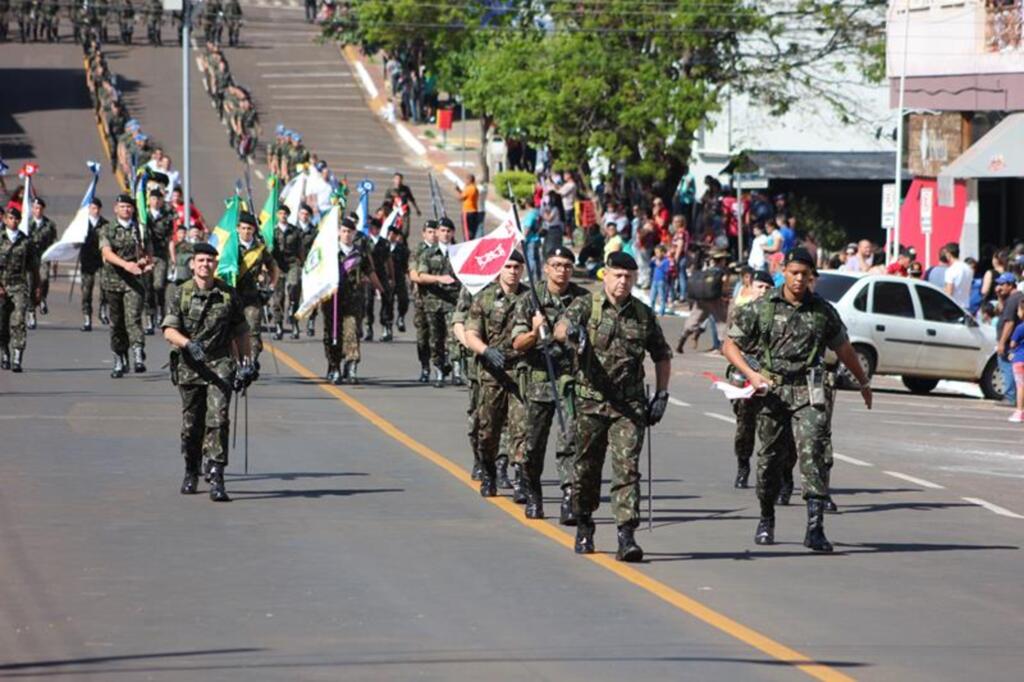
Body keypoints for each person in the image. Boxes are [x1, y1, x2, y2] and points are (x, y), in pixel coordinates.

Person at [722, 247, 873, 552]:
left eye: (805, 274)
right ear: (784, 272)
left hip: (808, 390)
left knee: (813, 451)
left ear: (811, 276)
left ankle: (815, 528)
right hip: (772, 391)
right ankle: (766, 517)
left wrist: (863, 381)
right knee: (769, 459)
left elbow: (844, 348)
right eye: (794, 273)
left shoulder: (822, 311)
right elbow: (729, 346)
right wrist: (752, 375)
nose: (799, 279)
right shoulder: (762, 307)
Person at [554, 251, 672, 561]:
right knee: (586, 468)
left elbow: (662, 355)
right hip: (590, 402)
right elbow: (560, 328)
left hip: (628, 407)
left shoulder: (643, 315)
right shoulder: (586, 305)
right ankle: (584, 523)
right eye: (617, 275)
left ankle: (626, 535)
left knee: (627, 469)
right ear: (605, 274)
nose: (622, 281)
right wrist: (572, 333)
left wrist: (662, 395)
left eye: (628, 277)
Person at [162, 241, 253, 502]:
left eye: (210, 261)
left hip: (220, 363)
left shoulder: (228, 295)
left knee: (219, 419)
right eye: (201, 260)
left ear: (216, 264)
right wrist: (188, 344)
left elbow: (241, 331)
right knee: (192, 425)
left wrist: (246, 364)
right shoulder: (181, 293)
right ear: (193, 264)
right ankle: (191, 469)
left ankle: (217, 475)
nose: (205, 265)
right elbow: (168, 330)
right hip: (190, 366)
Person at [511, 246, 589, 521]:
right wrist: (535, 332)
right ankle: (533, 493)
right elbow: (517, 343)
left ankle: (569, 497)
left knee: (571, 440)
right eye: (556, 265)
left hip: (571, 381)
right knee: (533, 445)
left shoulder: (583, 299)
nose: (562, 270)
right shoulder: (530, 300)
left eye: (567, 265)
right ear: (546, 268)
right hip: (539, 381)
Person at [464, 252, 529, 497]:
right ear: (500, 269)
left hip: (521, 372)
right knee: (488, 429)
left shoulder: (530, 298)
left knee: (522, 427)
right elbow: (471, 333)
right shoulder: (485, 298)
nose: (513, 271)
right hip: (492, 374)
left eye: (517, 267)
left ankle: (521, 480)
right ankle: (489, 472)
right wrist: (486, 350)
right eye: (508, 266)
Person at [321, 216, 384, 384]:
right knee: (332, 335)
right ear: (338, 232)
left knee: (352, 331)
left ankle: (351, 365)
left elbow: (370, 271)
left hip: (353, 300)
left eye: (349, 231)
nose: (346, 234)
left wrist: (380, 289)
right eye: (343, 231)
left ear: (354, 233)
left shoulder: (359, 253)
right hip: (332, 300)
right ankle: (334, 366)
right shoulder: (329, 251)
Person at [727, 270, 775, 488]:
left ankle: (774, 474)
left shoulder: (777, 315)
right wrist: (745, 368)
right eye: (760, 286)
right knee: (745, 425)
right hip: (746, 374)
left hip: (769, 377)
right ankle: (743, 465)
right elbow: (731, 346)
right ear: (750, 287)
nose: (763, 291)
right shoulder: (742, 312)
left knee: (772, 427)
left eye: (767, 288)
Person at [100, 193, 153, 378]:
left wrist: (145, 262)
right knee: (117, 324)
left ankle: (138, 353)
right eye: (122, 206)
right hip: (113, 281)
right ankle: (119, 358)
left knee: (133, 318)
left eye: (129, 207)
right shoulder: (107, 229)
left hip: (134, 282)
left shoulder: (141, 229)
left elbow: (148, 253)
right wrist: (126, 265)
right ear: (116, 209)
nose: (126, 209)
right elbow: (107, 253)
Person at [415, 217, 459, 387]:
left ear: (453, 233)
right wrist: (439, 279)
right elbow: (421, 275)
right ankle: (439, 370)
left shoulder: (459, 252)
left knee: (454, 337)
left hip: (453, 302)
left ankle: (456, 370)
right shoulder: (428, 253)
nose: (445, 234)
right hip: (433, 303)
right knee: (435, 339)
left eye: (448, 231)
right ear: (438, 233)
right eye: (442, 230)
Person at [235, 213, 276, 364]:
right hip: (233, 296)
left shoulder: (259, 248)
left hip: (252, 297)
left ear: (253, 230)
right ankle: (236, 361)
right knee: (231, 331)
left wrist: (271, 285)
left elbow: (273, 267)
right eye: (243, 228)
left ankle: (250, 362)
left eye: (249, 228)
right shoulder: (231, 247)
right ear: (238, 229)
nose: (246, 231)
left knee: (253, 330)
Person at [0, 207, 38, 372]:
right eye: (10, 218)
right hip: (1, 285)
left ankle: (17, 357)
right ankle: (4, 352)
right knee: (2, 323)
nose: (13, 221)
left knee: (18, 320)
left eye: (16, 219)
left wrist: (37, 288)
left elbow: (33, 267)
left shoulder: (26, 241)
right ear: (5, 220)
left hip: (18, 286)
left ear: (20, 220)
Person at [675, 249, 729, 353]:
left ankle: (682, 338)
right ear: (722, 260)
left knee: (694, 319)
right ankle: (723, 346)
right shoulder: (721, 272)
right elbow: (724, 287)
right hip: (715, 300)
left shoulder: (706, 270)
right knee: (721, 322)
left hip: (701, 299)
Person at [143, 187, 176, 334]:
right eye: (153, 199)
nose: (156, 201)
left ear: (162, 201)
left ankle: (160, 310)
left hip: (160, 256)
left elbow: (170, 239)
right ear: (149, 200)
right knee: (147, 288)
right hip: (146, 257)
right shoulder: (143, 216)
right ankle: (149, 319)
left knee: (159, 285)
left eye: (158, 199)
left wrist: (173, 258)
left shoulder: (167, 218)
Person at [409, 220, 438, 382]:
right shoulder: (418, 250)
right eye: (429, 232)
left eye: (435, 231)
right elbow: (413, 274)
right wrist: (428, 278)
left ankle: (442, 367)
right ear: (424, 234)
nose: (433, 235)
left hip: (442, 300)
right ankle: (425, 367)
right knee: (423, 336)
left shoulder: (446, 249)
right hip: (422, 300)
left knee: (440, 336)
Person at [26, 197, 56, 329]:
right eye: (35, 208)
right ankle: (31, 312)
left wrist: (56, 258)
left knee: (44, 278)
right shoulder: (26, 223)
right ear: (32, 209)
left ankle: (42, 298)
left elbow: (54, 241)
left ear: (43, 209)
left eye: (39, 208)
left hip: (44, 257)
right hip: (30, 258)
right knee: (30, 284)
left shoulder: (49, 224)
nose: (37, 210)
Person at [80, 198, 108, 332]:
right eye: (92, 208)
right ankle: (87, 317)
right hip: (87, 259)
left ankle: (103, 309)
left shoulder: (105, 224)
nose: (95, 211)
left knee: (105, 286)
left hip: (102, 259)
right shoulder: (82, 223)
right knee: (86, 290)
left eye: (97, 208)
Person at [996, 273, 1022, 406]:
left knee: (1007, 367)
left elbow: (1009, 322)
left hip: (1009, 342)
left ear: (1010, 285)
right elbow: (1001, 312)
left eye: (1002, 284)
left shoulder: (1013, 299)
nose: (999, 287)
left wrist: (1001, 342)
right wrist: (1000, 296)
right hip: (1013, 341)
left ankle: (1010, 397)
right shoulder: (1013, 298)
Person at [1007, 298, 1024, 423]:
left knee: (1020, 386)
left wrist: (1011, 351)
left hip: (1020, 359)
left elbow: (1013, 343)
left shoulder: (1020, 328)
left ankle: (1019, 411)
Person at [942, 242, 972, 309]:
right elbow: (969, 290)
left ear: (949, 254)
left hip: (954, 307)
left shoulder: (950, 270)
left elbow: (949, 292)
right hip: (966, 306)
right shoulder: (968, 268)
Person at [458, 174, 482, 240]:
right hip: (474, 211)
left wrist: (459, 191)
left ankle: (467, 242)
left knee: (467, 232)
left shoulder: (468, 188)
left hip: (467, 211)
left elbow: (460, 198)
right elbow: (467, 196)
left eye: (466, 179)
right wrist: (459, 190)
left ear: (469, 180)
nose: (465, 181)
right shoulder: (475, 188)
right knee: (473, 231)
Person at [649, 244, 671, 316]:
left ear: (663, 253)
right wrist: (651, 261)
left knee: (662, 297)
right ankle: (651, 311)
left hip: (661, 281)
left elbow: (666, 270)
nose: (656, 254)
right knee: (652, 297)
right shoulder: (655, 260)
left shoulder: (666, 261)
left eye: (658, 252)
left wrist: (659, 265)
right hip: (654, 280)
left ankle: (661, 312)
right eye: (655, 253)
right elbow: (650, 266)